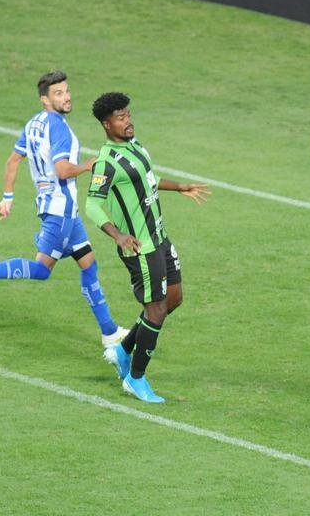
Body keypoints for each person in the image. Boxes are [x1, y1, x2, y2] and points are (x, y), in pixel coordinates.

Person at [0, 71, 129, 349]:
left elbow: (12, 161)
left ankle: (109, 331)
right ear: (45, 99)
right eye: (58, 93)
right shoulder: (58, 127)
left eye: (67, 91)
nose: (66, 97)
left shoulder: (33, 123)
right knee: (42, 269)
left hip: (56, 208)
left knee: (88, 263)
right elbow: (62, 170)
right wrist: (88, 165)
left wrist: (7, 197)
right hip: (61, 210)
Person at [87, 92, 211, 404]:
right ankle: (136, 378)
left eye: (128, 114)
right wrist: (117, 235)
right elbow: (92, 205)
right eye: (120, 117)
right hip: (139, 247)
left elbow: (150, 180)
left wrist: (179, 186)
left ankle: (122, 350)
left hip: (159, 237)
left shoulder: (136, 147)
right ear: (106, 124)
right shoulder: (106, 163)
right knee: (155, 308)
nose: (127, 121)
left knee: (173, 299)